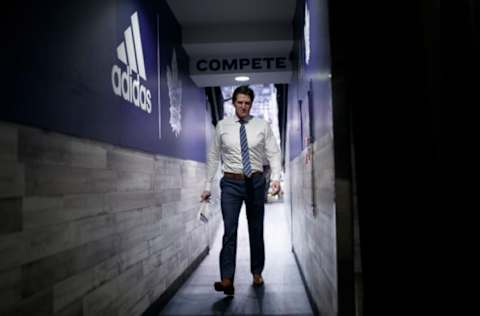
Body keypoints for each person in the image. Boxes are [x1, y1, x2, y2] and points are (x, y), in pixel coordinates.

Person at [200, 86, 281, 296]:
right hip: (231, 183)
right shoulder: (222, 126)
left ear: (251, 104)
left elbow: (273, 152)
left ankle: (257, 272)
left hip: (255, 182)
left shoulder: (261, 125)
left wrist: (275, 179)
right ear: (233, 103)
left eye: (247, 103)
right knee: (230, 230)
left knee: (256, 229)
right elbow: (213, 156)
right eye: (240, 102)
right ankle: (227, 279)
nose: (243, 106)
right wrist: (207, 185)